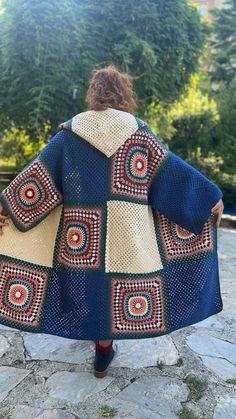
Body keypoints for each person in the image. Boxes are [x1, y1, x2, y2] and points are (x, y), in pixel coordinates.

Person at [0, 65, 224, 378]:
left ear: (93, 94)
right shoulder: (139, 134)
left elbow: (38, 180)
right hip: (126, 234)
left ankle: (99, 341)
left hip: (82, 236)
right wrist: (208, 197)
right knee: (115, 287)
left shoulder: (70, 135)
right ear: (123, 94)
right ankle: (104, 348)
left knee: (89, 283)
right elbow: (170, 175)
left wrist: (7, 209)